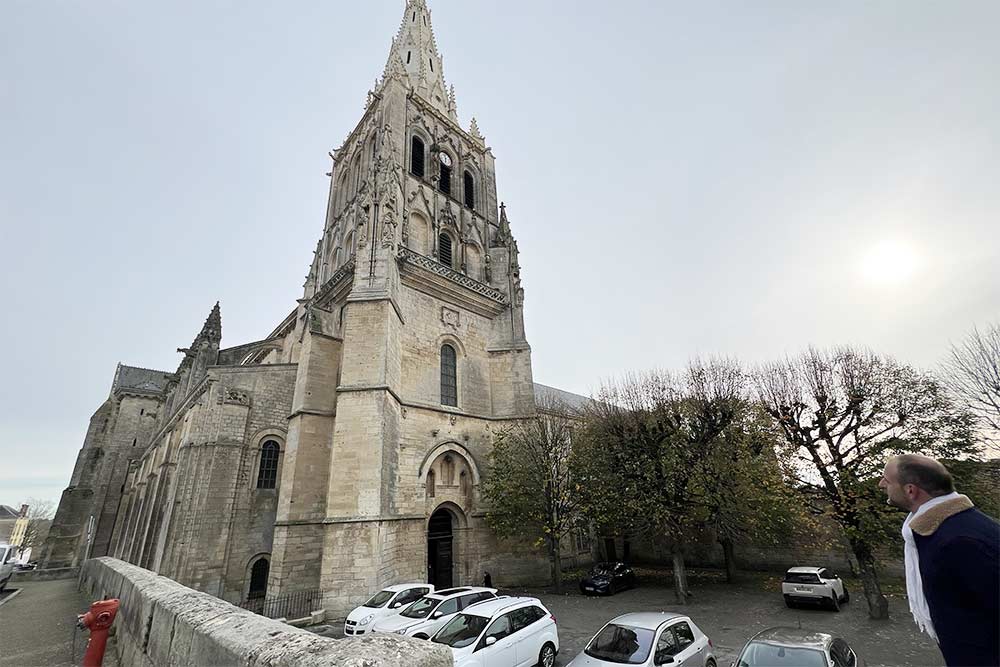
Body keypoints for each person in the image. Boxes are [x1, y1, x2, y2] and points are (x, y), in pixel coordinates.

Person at [879, 454, 999, 667]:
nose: (881, 484)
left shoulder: (960, 542)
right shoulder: (934, 531)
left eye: (886, 480)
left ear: (910, 490)